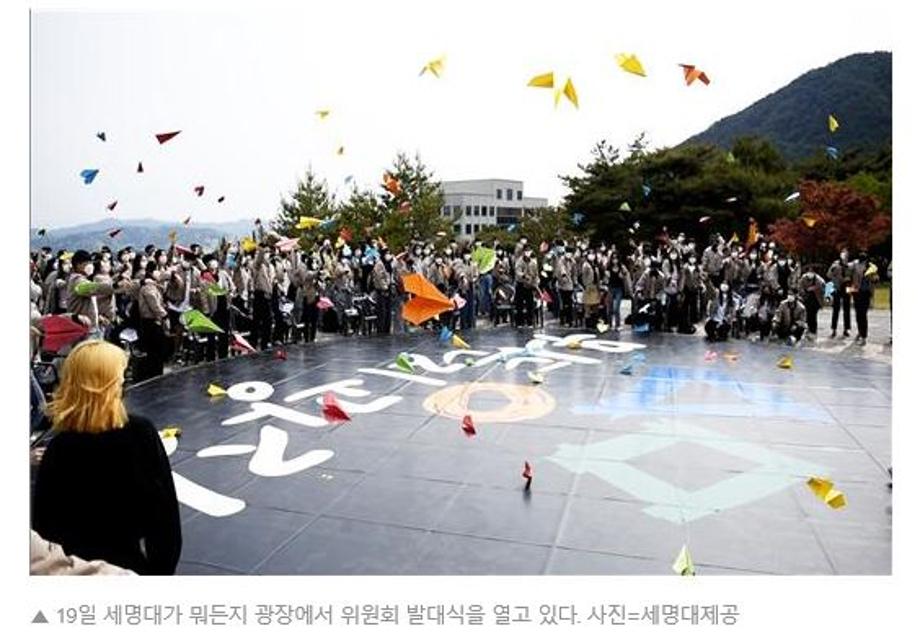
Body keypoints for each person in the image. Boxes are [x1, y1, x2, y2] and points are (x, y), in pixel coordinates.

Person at [32, 340, 182, 575]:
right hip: (128, 567)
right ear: (110, 384)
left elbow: (44, 527)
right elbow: (165, 520)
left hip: (74, 571)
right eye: (121, 376)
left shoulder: (59, 447)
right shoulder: (139, 434)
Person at [849, 251, 879, 346]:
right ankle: (860, 332)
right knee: (858, 314)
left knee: (862, 315)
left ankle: (864, 336)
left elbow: (876, 280)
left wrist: (873, 278)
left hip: (865, 293)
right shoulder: (855, 265)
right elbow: (848, 273)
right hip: (856, 292)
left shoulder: (871, 267)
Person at [799, 266, 827, 340]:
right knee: (807, 315)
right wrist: (805, 291)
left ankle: (813, 331)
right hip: (806, 299)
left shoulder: (819, 279)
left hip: (816, 300)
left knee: (813, 316)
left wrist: (816, 289)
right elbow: (800, 287)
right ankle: (808, 330)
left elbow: (824, 288)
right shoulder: (804, 278)